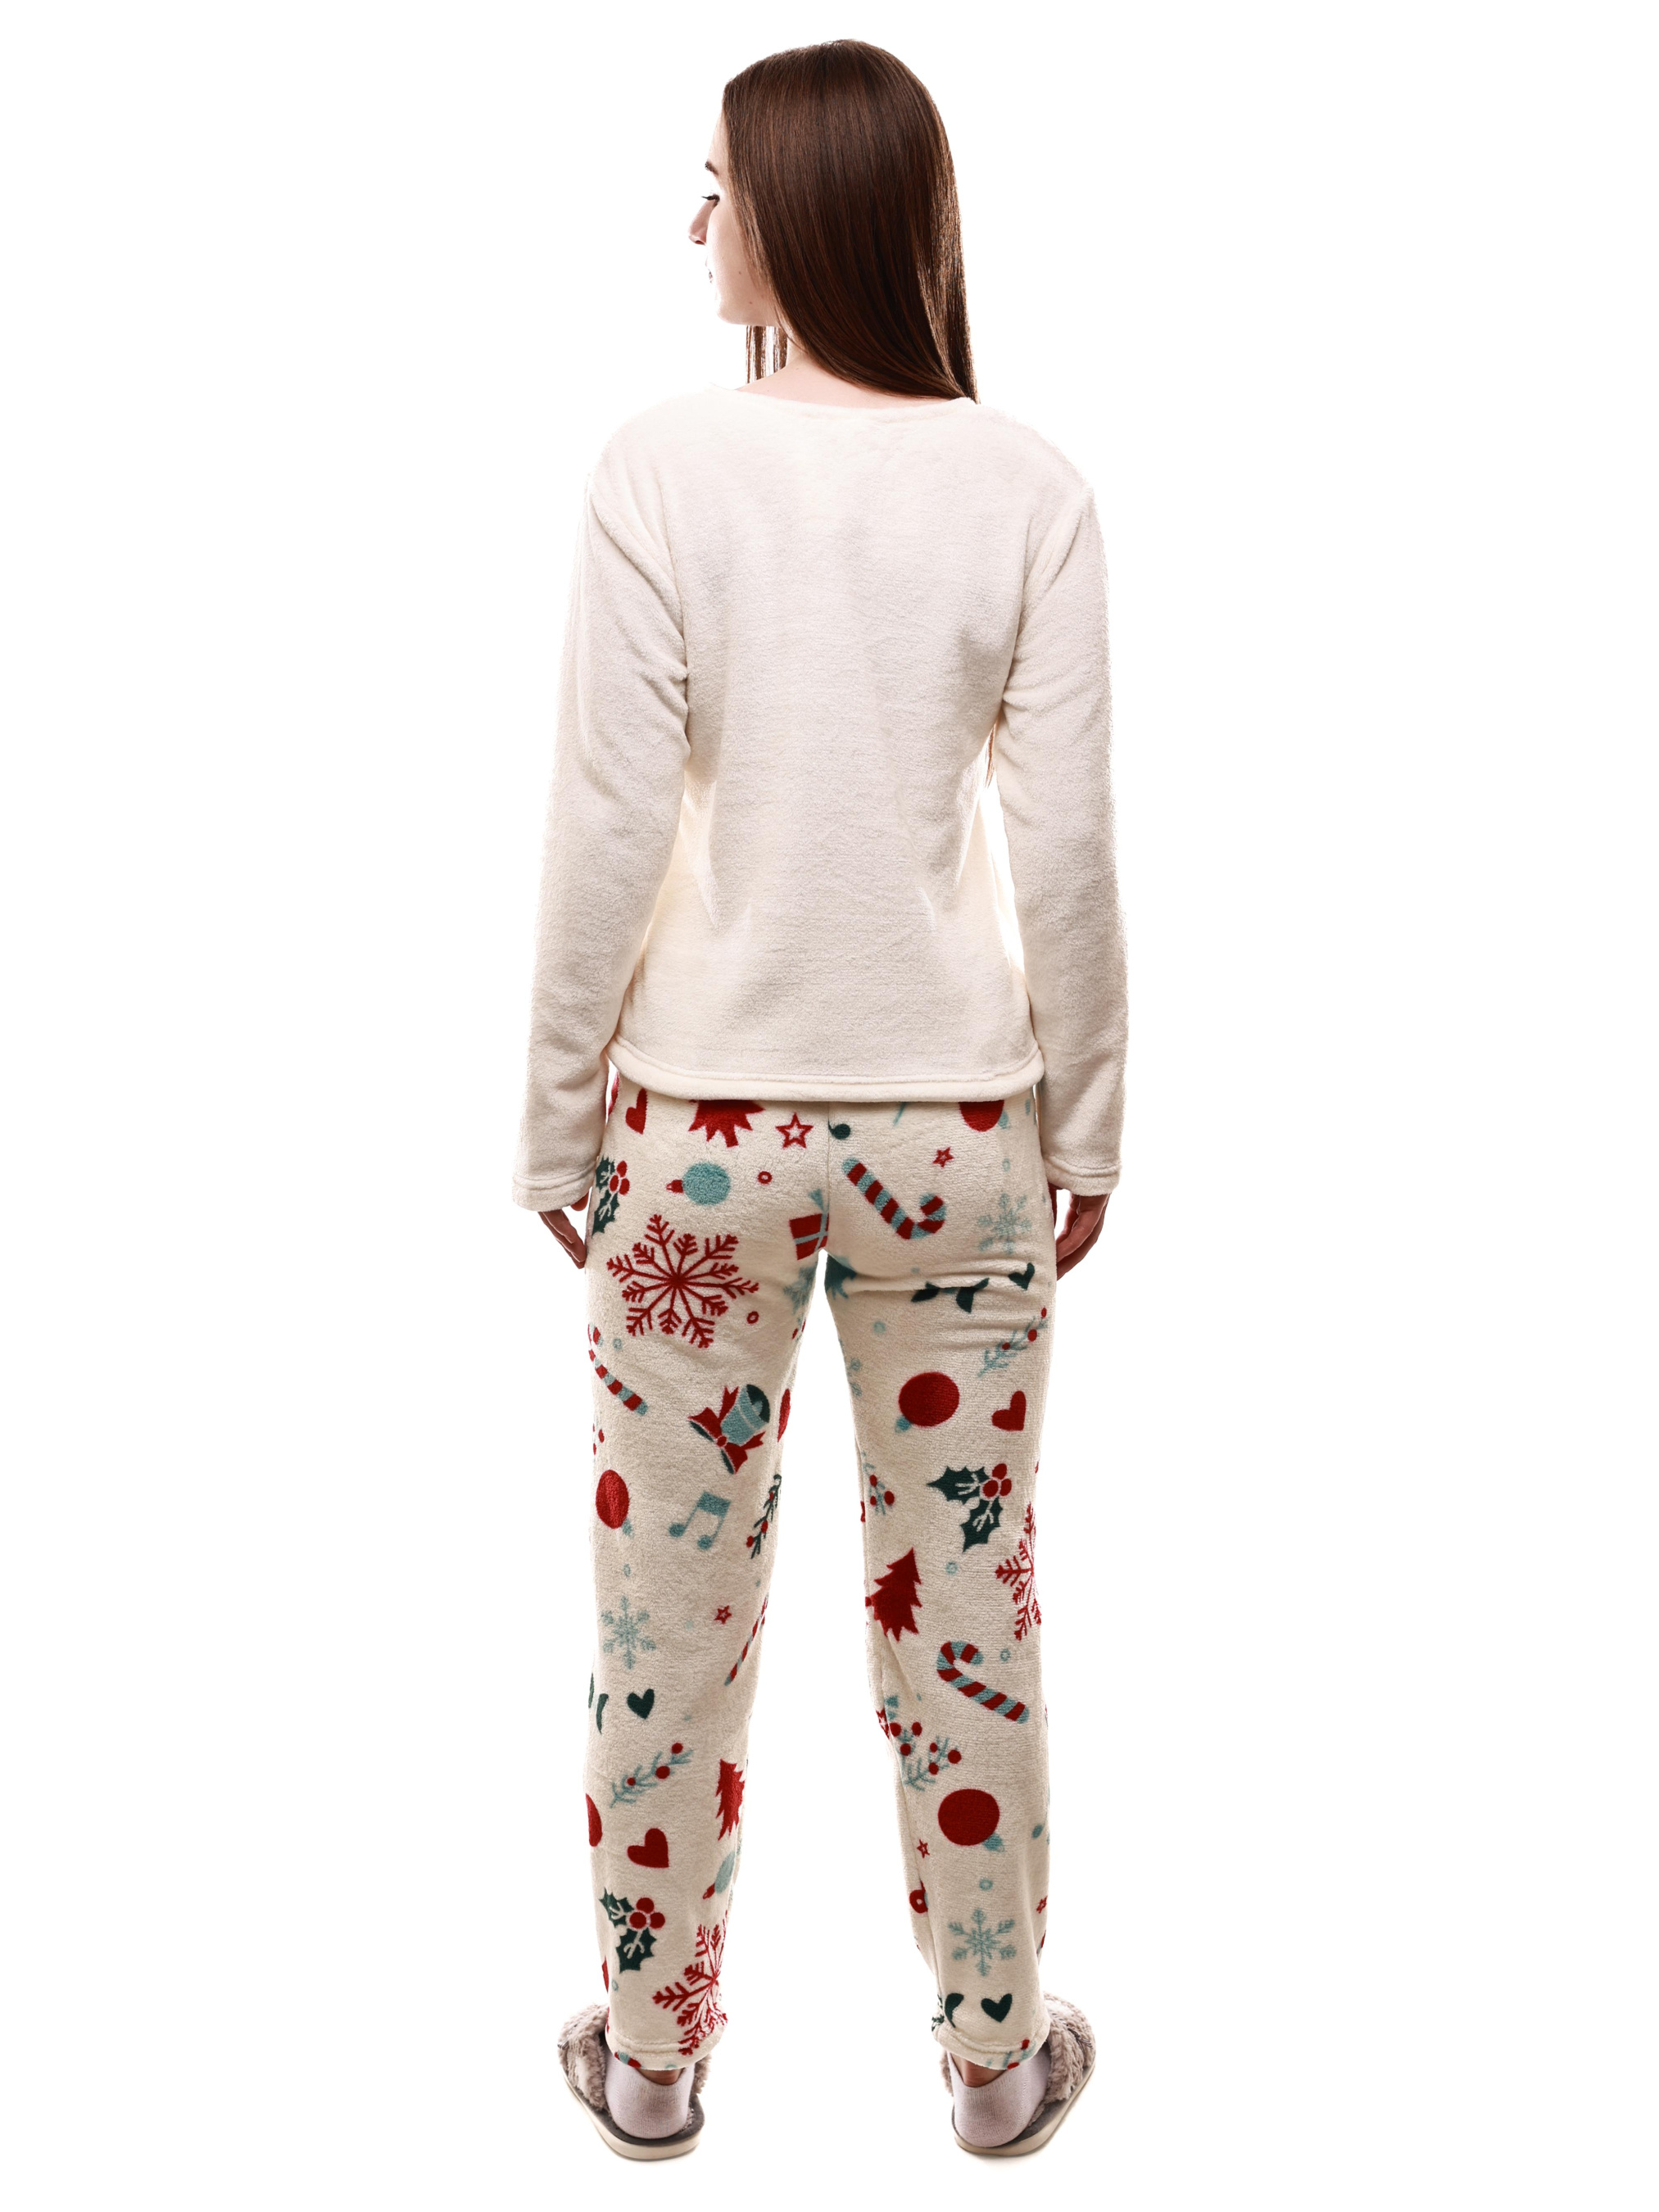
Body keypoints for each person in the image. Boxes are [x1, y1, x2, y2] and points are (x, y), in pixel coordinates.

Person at [515, 39, 1125, 2160]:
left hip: (702, 1135)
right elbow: (1065, 849)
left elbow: (608, 822)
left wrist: (552, 1121)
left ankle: (651, 2054)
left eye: (718, 187)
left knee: (665, 1625)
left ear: (794, 216)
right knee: (968, 1615)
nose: (698, 222)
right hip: (956, 1137)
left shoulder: (662, 468)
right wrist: (1089, 1125)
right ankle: (995, 2058)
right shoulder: (1027, 485)